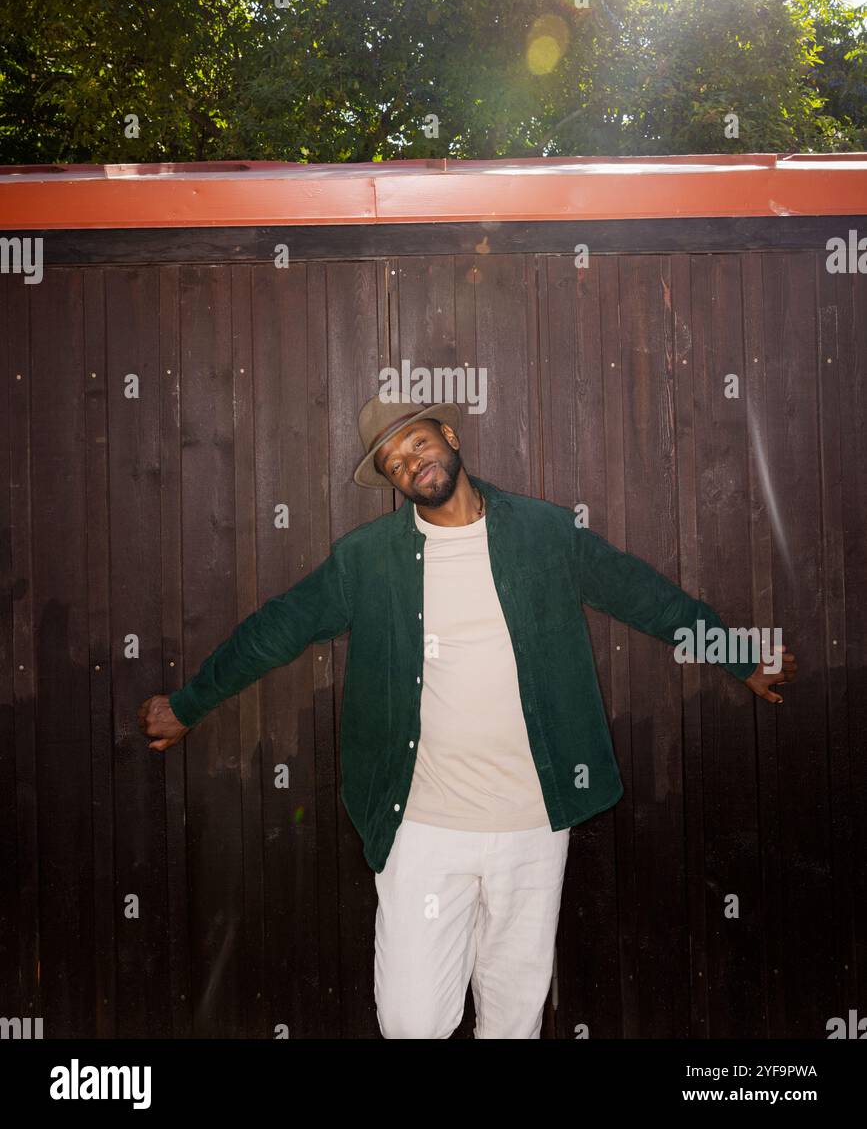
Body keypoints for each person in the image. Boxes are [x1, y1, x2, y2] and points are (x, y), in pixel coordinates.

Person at [138, 390, 798, 1039]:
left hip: (534, 822)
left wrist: (738, 656)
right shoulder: (366, 561)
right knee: (410, 1019)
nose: (409, 463)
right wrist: (189, 704)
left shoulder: (542, 531)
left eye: (416, 442)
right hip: (422, 825)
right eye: (393, 462)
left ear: (449, 438)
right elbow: (276, 630)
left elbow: (643, 596)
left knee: (513, 1014)